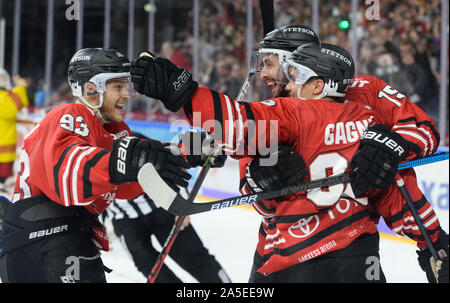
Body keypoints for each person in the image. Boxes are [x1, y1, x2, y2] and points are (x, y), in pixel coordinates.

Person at [130, 42, 398, 282]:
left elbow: (234, 128)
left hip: (291, 255)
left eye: (271, 65)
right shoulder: (363, 113)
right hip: (350, 255)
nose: (265, 74)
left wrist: (182, 92)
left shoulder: (290, 111)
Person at [239, 26, 447, 284]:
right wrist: (261, 179)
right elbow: (259, 202)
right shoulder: (269, 112)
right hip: (282, 251)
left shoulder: (364, 89)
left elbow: (424, 130)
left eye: (269, 63)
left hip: (353, 247)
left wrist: (389, 147)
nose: (264, 74)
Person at [0, 48, 193, 283]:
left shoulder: (109, 131)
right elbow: (69, 174)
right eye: (118, 87)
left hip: (61, 239)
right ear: (91, 88)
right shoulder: (69, 114)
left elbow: (124, 184)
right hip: (43, 240)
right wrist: (126, 162)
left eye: (126, 86)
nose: (126, 94)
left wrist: (183, 152)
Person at [105, 132, 231, 283]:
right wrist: (98, 225)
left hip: (163, 206)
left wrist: (182, 205)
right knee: (149, 266)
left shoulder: (134, 138)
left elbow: (172, 165)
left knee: (193, 256)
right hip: (124, 218)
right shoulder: (90, 147)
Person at [0, 68, 29, 185]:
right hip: (6, 143)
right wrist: (21, 87)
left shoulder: (8, 96)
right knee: (2, 180)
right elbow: (18, 105)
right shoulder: (8, 97)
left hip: (6, 142)